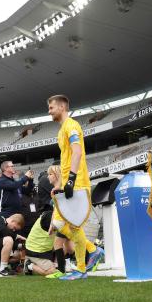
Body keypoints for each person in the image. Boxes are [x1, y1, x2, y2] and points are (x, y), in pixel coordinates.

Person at [47, 96, 105, 280]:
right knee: (67, 225)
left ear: (63, 107)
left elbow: (77, 151)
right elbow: (66, 159)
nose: (49, 111)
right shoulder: (62, 129)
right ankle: (91, 252)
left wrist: (71, 180)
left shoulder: (71, 125)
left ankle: (82, 266)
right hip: (69, 182)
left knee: (73, 226)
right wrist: (60, 185)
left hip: (78, 182)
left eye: (51, 107)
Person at [24, 210, 60, 276]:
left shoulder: (47, 217)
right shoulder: (49, 222)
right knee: (52, 271)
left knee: (61, 240)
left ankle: (56, 263)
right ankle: (29, 265)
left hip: (42, 249)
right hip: (36, 251)